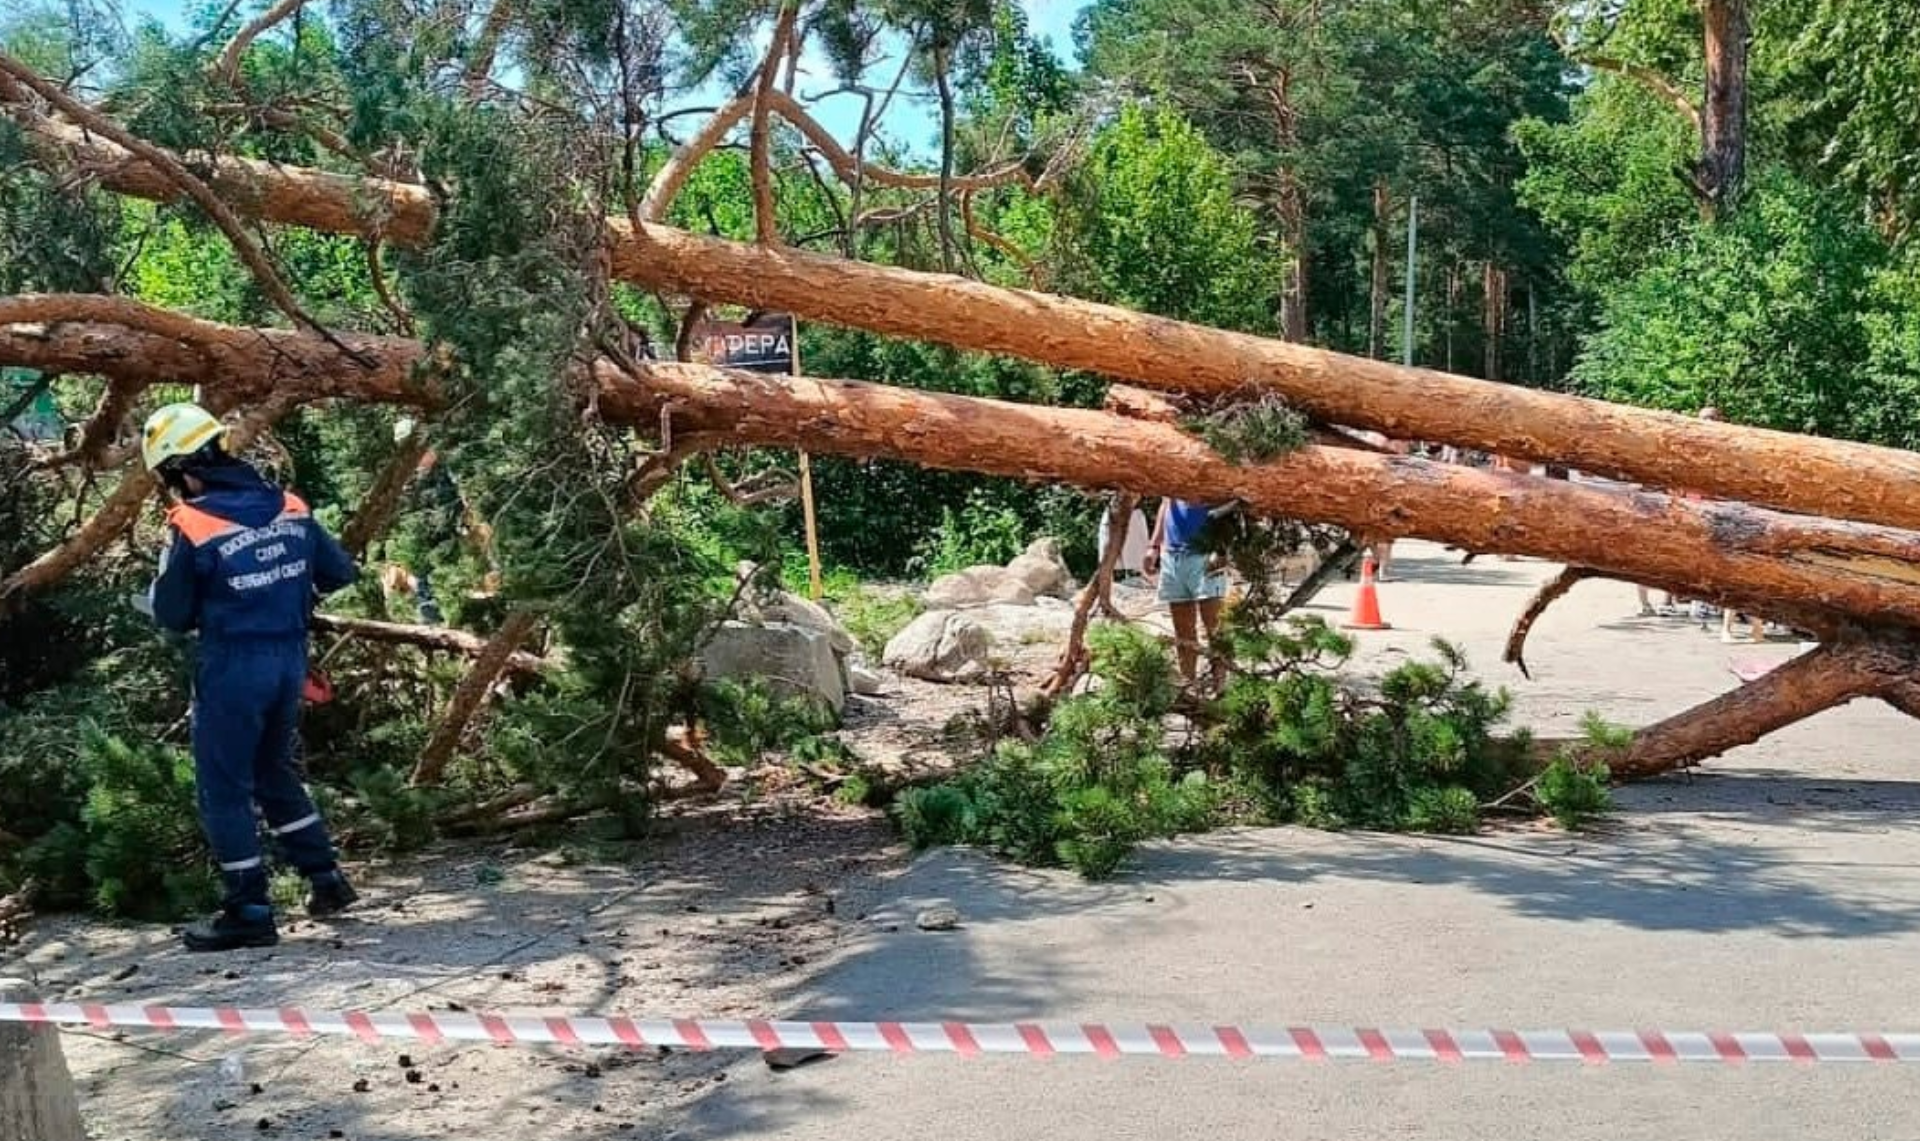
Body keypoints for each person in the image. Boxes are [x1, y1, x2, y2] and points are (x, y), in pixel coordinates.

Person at [140, 402, 361, 952]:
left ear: (182, 469)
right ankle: (326, 880)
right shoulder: (290, 506)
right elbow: (339, 572)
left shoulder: (192, 523)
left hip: (233, 667)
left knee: (224, 788)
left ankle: (250, 909)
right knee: (272, 771)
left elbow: (170, 615)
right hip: (288, 660)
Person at [1144, 498, 1228, 687]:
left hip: (1205, 554)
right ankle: (1188, 685)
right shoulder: (1172, 476)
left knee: (1215, 626)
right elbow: (1165, 502)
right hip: (1172, 556)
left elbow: (1228, 508)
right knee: (1182, 630)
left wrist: (1222, 548)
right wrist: (1153, 547)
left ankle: (1221, 685)